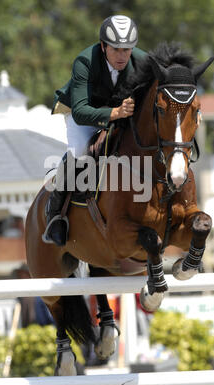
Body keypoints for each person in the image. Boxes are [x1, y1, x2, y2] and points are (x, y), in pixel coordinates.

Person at [43, 15, 147, 246]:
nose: (122, 56)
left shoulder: (142, 61)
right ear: (103, 46)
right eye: (116, 50)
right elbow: (80, 111)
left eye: (127, 50)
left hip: (119, 111)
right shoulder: (85, 60)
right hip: (82, 111)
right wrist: (115, 114)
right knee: (81, 149)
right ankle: (55, 211)